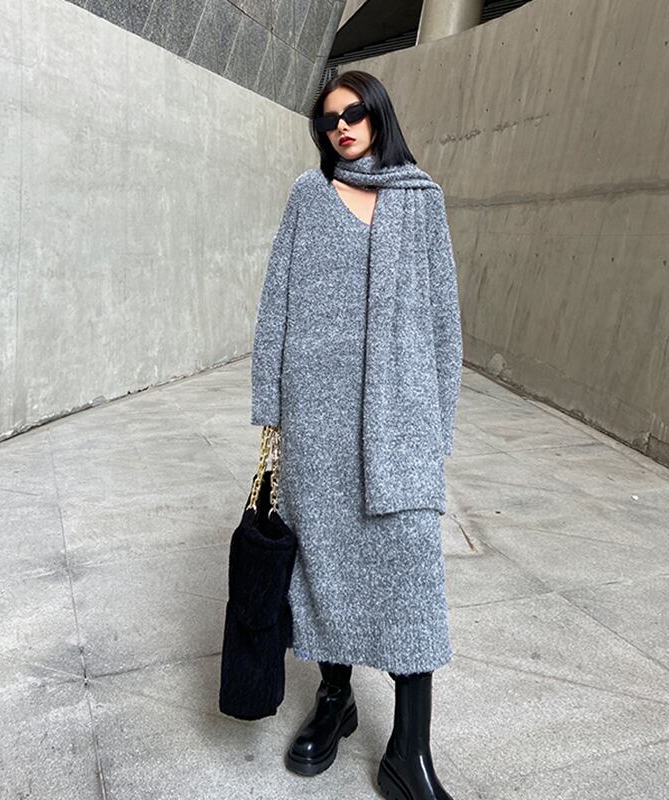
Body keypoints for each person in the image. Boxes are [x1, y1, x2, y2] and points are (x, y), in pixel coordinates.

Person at [250, 69, 462, 800]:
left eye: (353, 113)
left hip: (401, 421)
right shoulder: (309, 196)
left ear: (378, 115)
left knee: (413, 580)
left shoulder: (420, 199)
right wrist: (271, 409)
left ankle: (411, 751)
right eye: (328, 118)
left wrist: (438, 423)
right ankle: (334, 700)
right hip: (318, 419)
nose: (340, 126)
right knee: (326, 569)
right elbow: (277, 301)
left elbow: (444, 318)